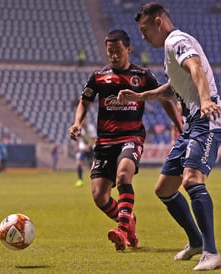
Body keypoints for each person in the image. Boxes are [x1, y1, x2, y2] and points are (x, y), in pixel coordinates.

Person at [118, 3, 221, 270]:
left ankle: (212, 253)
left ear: (159, 22)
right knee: (165, 189)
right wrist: (141, 96)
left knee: (192, 180)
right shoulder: (170, 50)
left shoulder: (177, 40)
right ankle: (196, 242)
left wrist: (204, 100)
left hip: (207, 120)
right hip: (192, 123)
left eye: (145, 30)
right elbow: (173, 88)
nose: (143, 37)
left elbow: (195, 68)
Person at [69, 29, 182, 252]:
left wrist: (178, 125)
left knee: (123, 176)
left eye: (118, 51)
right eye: (110, 51)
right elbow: (84, 101)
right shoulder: (99, 76)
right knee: (100, 196)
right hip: (104, 141)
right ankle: (129, 223)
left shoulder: (142, 75)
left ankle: (121, 229)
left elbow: (164, 99)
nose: (113, 55)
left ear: (128, 50)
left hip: (131, 136)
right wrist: (77, 123)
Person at [74, 118, 96, 187]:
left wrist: (88, 146)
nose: (83, 122)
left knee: (92, 165)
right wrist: (77, 146)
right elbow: (78, 138)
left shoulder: (91, 128)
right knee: (79, 163)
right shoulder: (79, 129)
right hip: (82, 148)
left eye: (84, 120)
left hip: (90, 148)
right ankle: (80, 180)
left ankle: (95, 180)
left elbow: (93, 139)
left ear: (86, 120)